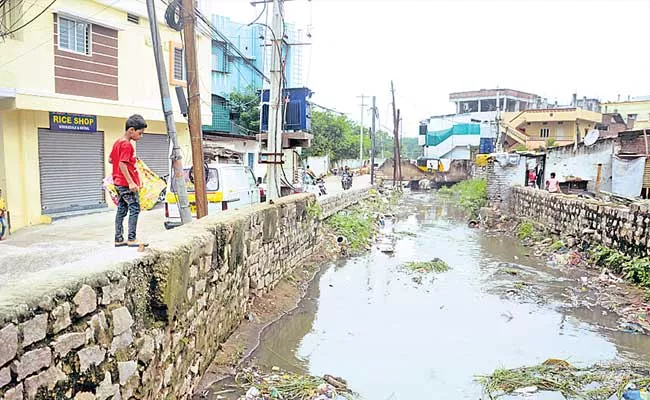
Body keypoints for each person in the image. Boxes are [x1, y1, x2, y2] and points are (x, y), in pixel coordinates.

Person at [110, 114, 148, 247]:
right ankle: (132, 238)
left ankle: (119, 238)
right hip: (126, 183)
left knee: (121, 209)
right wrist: (131, 182)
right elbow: (122, 163)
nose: (141, 136)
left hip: (118, 182)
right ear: (131, 130)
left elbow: (111, 160)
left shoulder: (117, 143)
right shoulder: (127, 145)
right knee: (134, 208)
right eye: (140, 133)